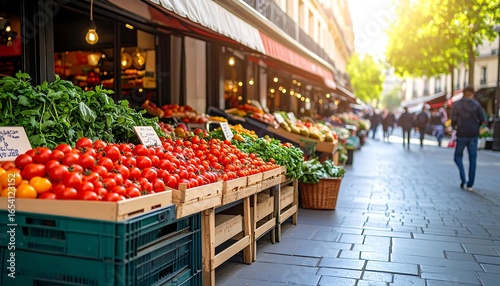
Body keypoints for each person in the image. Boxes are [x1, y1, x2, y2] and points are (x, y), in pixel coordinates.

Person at [451, 86, 485, 191]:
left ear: (463, 93)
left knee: (457, 157)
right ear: (472, 94)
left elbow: (453, 120)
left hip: (461, 134)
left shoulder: (457, 104)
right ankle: (470, 184)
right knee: (473, 159)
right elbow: (482, 119)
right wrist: (476, 127)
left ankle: (463, 178)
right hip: (473, 134)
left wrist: (455, 127)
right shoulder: (476, 104)